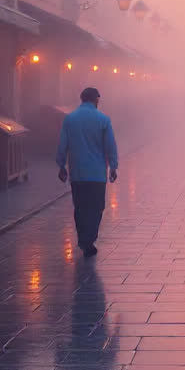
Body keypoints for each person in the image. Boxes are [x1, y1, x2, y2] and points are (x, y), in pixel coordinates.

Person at [56, 87, 119, 257]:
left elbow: (63, 144)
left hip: (77, 173)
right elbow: (110, 146)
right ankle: (89, 239)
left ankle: (83, 239)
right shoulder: (103, 120)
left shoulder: (70, 119)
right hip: (97, 174)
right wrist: (113, 166)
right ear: (95, 99)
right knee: (97, 207)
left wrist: (61, 165)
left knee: (80, 208)